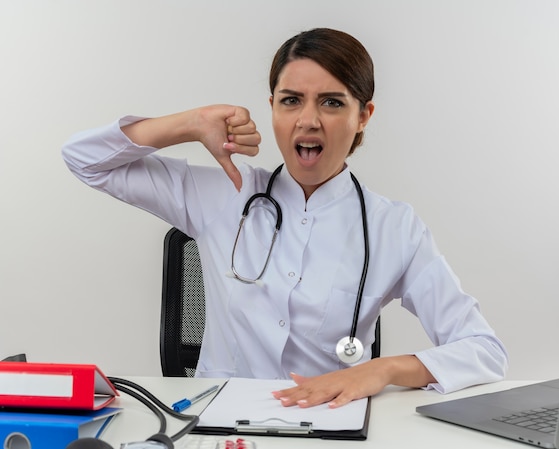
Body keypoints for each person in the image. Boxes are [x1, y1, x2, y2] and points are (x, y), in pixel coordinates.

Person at [62, 28, 507, 408]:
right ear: (271, 106)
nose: (308, 120)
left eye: (332, 103)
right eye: (291, 101)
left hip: (329, 422)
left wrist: (381, 370)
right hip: (220, 421)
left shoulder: (394, 228)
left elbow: (484, 351)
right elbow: (84, 158)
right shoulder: (224, 192)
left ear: (364, 116)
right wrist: (193, 123)